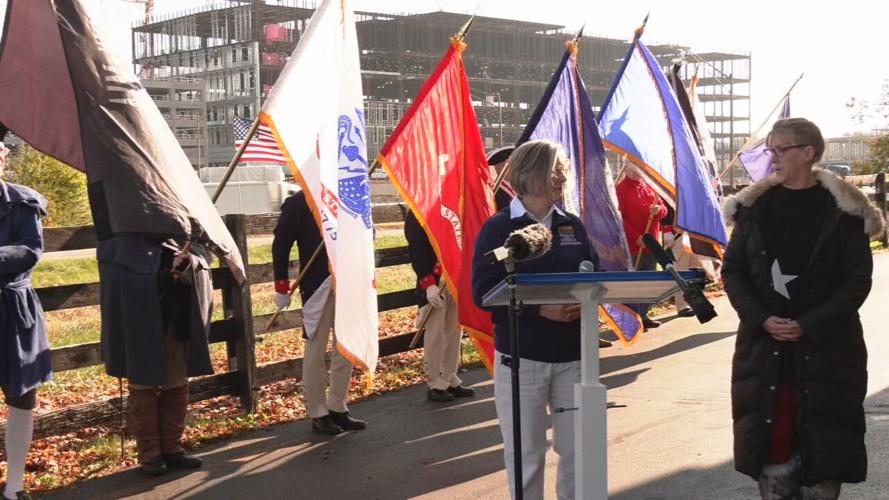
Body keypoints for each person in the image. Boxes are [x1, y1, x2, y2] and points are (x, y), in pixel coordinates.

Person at [722, 118, 882, 499]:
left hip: (828, 350)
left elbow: (857, 280)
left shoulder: (844, 212)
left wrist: (807, 324)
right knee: (773, 443)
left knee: (823, 449)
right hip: (764, 350)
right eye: (770, 150)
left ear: (808, 153)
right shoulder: (753, 207)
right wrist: (762, 319)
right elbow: (733, 271)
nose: (773, 157)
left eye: (781, 149)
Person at [472, 139, 601, 499]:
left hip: (574, 358)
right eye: (555, 169)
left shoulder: (572, 227)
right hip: (522, 358)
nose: (562, 176)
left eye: (564, 169)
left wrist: (587, 298)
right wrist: (539, 309)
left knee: (577, 452)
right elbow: (484, 290)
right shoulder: (500, 232)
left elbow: (595, 277)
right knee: (526, 454)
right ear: (529, 174)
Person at [99, 231, 213, 475]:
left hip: (176, 318)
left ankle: (172, 448)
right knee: (143, 385)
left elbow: (203, 260)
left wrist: (188, 264)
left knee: (176, 381)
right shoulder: (121, 236)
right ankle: (150, 453)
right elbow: (120, 278)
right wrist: (158, 278)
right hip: (140, 322)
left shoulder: (183, 229)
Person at [272, 190, 366, 435]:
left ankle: (337, 406)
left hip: (347, 280)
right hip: (317, 284)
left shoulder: (347, 196)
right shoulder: (300, 201)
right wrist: (281, 284)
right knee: (315, 349)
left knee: (345, 348)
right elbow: (281, 243)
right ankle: (318, 411)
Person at [0, 138, 52, 500]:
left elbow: (29, 251)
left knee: (22, 398)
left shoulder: (23, 202)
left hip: (13, 313)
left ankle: (14, 486)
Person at [404, 210, 475, 402]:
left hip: (453, 277)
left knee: (454, 331)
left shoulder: (452, 204)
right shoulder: (417, 210)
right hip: (434, 282)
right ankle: (435, 382)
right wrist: (428, 284)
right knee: (435, 334)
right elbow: (417, 251)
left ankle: (449, 377)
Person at [616, 164, 667, 330]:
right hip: (632, 245)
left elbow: (664, 210)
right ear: (625, 170)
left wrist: (658, 209)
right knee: (632, 283)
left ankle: (643, 315)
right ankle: (630, 319)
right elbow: (619, 218)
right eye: (633, 170)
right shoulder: (620, 189)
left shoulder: (650, 187)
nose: (637, 173)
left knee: (648, 281)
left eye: (639, 170)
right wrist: (635, 237)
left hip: (651, 244)